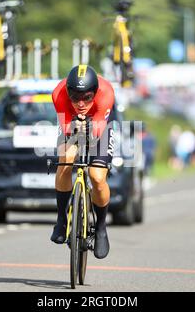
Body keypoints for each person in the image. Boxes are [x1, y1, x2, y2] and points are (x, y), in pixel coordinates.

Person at [51, 65, 115, 259]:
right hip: (71, 123)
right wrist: (74, 126)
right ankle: (62, 219)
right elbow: (67, 129)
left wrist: (86, 126)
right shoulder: (58, 94)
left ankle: (101, 227)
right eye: (75, 97)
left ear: (94, 93)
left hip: (99, 124)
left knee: (96, 176)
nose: (80, 103)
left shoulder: (106, 93)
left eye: (87, 97)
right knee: (66, 160)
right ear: (68, 93)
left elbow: (96, 132)